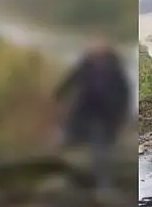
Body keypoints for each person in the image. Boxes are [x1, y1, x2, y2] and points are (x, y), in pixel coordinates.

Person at [54, 39, 131, 193]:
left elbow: (124, 94)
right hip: (83, 112)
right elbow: (71, 79)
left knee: (100, 150)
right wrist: (59, 93)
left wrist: (120, 117)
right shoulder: (86, 66)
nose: (97, 52)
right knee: (66, 139)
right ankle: (61, 177)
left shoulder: (115, 70)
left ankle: (104, 186)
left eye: (100, 49)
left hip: (103, 117)